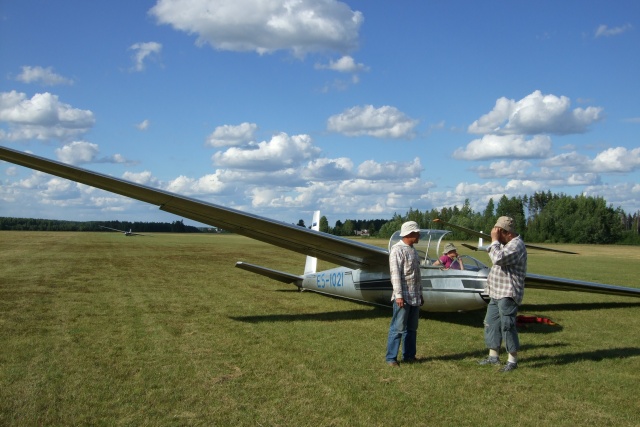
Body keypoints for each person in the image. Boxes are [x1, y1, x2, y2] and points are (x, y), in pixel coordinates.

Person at [477, 216, 527, 372]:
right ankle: (493, 357)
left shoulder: (516, 245)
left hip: (508, 293)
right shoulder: (506, 244)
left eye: (499, 233)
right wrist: (496, 242)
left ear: (507, 233)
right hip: (496, 291)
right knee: (491, 324)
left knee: (507, 326)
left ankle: (512, 361)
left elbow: (497, 258)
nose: (497, 236)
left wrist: (494, 240)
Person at [385, 221, 424, 367]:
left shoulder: (412, 249)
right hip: (403, 297)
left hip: (415, 297)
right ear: (410, 234)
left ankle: (409, 355)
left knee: (412, 329)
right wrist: (399, 295)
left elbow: (417, 275)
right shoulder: (397, 250)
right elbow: (395, 274)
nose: (419, 235)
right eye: (417, 233)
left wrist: (420, 294)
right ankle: (391, 358)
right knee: (397, 328)